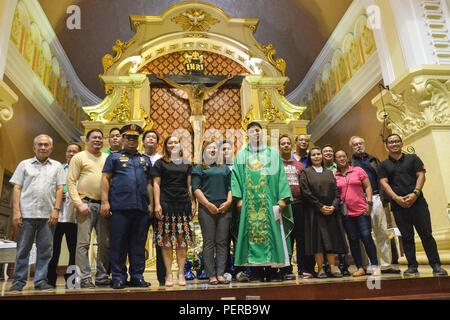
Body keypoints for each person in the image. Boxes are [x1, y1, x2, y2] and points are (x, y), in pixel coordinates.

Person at [231, 122, 294, 282]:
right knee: (251, 236)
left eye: (258, 131)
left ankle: (273, 271)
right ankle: (256, 272)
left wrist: (282, 198)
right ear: (247, 135)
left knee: (273, 235)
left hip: (270, 201)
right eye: (252, 131)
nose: (256, 134)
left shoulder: (273, 153)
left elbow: (281, 176)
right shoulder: (241, 155)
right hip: (249, 204)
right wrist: (238, 199)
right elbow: (236, 177)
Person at [378, 134, 447, 276]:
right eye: (391, 142)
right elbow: (384, 182)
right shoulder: (384, 165)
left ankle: (436, 266)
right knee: (407, 237)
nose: (394, 144)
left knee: (426, 235)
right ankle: (412, 266)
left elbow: (421, 175)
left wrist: (415, 193)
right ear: (387, 146)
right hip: (398, 206)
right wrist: (396, 198)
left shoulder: (413, 158)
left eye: (397, 141)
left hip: (418, 203)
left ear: (401, 143)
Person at [9, 135, 65, 291]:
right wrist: (16, 211)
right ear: (34, 148)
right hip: (26, 215)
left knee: (46, 251)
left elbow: (60, 189)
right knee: (22, 250)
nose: (43, 147)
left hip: (48, 216)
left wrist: (56, 210)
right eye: (40, 144)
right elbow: (17, 188)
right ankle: (18, 282)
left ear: (51, 149)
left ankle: (40, 281)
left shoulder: (57, 166)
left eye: (46, 145)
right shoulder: (24, 164)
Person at [101, 124, 153, 289]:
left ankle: (137, 276)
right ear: (123, 139)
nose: (131, 141)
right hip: (119, 208)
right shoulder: (114, 158)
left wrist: (151, 203)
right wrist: (105, 202)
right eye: (128, 137)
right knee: (119, 244)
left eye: (135, 138)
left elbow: (150, 183)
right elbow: (105, 179)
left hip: (141, 209)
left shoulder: (145, 159)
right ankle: (118, 277)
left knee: (138, 244)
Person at [349, 135, 400, 274]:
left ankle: (385, 265)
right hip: (359, 201)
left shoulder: (374, 160)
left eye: (360, 143)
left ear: (364, 144)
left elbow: (383, 179)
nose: (358, 146)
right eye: (355, 144)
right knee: (364, 235)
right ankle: (370, 265)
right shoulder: (350, 163)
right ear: (352, 148)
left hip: (377, 197)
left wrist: (385, 199)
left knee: (382, 232)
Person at [67, 129, 110, 288]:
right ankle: (84, 278)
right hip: (85, 204)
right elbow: (71, 182)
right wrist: (79, 203)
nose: (98, 140)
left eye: (100, 138)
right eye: (94, 138)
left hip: (104, 205)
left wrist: (107, 202)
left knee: (105, 243)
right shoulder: (79, 157)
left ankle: (102, 276)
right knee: (83, 244)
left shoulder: (107, 158)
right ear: (87, 140)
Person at [152, 135, 195, 286]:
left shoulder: (186, 163)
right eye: (170, 142)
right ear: (166, 146)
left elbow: (189, 185)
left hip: (183, 205)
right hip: (166, 204)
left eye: (176, 142)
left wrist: (193, 201)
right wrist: (157, 204)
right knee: (167, 242)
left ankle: (181, 273)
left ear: (179, 145)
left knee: (182, 242)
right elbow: (156, 184)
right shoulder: (160, 163)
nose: (173, 145)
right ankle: (169, 274)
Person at [299, 147, 347, 278]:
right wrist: (320, 206)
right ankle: (320, 269)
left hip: (331, 212)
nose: (316, 157)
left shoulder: (329, 173)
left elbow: (337, 192)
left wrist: (333, 206)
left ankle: (333, 267)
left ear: (322, 156)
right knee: (317, 241)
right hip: (314, 212)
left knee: (331, 240)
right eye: (313, 155)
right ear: (310, 158)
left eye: (318, 154)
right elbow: (306, 192)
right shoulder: (305, 172)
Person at [334, 150, 381, 276]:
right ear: (335, 160)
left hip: (362, 210)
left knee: (366, 237)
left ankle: (375, 266)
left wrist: (369, 203)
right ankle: (360, 267)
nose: (342, 159)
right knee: (353, 240)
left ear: (346, 158)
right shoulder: (335, 176)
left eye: (343, 156)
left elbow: (368, 186)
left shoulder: (357, 170)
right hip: (346, 214)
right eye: (339, 157)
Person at [192, 140, 232, 285]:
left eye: (215, 148)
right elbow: (196, 189)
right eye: (210, 148)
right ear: (204, 151)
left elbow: (230, 187)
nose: (213, 150)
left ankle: (220, 273)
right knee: (209, 242)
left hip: (224, 207)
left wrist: (228, 202)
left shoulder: (225, 168)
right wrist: (208, 204)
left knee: (222, 242)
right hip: (206, 207)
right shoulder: (199, 168)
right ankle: (211, 275)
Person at [279, 135, 315, 280]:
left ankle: (302, 268)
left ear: (292, 146)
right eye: (283, 144)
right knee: (286, 238)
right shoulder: (275, 165)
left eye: (288, 143)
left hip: (300, 205)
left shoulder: (299, 166)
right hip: (283, 206)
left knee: (301, 239)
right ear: (279, 147)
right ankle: (286, 270)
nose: (286, 145)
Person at [47, 143, 81, 288]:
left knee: (75, 251)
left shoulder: (82, 169)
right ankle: (49, 280)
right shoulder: (58, 168)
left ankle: (72, 282)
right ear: (66, 153)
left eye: (75, 152)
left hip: (75, 216)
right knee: (53, 249)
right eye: (69, 151)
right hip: (57, 215)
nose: (71, 154)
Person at [321, 144, 350, 277]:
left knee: (341, 238)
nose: (327, 153)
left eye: (330, 151)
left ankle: (343, 265)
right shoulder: (318, 169)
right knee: (326, 239)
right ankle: (328, 266)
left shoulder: (338, 168)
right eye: (325, 151)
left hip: (339, 206)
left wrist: (334, 204)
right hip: (323, 209)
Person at [143, 129, 165, 286]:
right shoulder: (137, 158)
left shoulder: (162, 160)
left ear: (158, 143)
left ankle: (163, 278)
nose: (150, 139)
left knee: (161, 242)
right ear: (143, 141)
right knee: (138, 242)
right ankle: (137, 276)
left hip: (160, 206)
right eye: (147, 137)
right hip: (141, 205)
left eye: (153, 138)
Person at [156, 73, 234, 116]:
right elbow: (176, 85)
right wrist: (164, 78)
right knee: (197, 135)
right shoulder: (189, 88)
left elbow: (216, 86)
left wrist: (226, 79)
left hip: (201, 115)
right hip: (193, 116)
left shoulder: (203, 89)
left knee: (200, 135)